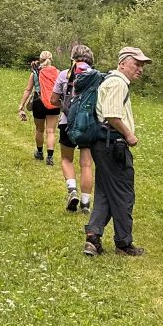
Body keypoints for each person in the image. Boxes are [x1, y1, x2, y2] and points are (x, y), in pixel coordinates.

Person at [84, 46, 150, 257]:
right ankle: (123, 243)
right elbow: (112, 115)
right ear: (122, 63)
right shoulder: (117, 83)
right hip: (113, 144)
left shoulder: (112, 81)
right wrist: (129, 135)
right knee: (123, 193)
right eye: (136, 64)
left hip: (104, 144)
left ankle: (93, 238)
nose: (140, 69)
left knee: (105, 192)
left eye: (142, 65)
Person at [53, 43, 96, 213]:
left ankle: (72, 190)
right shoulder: (95, 76)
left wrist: (66, 107)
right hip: (88, 124)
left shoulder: (65, 75)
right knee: (86, 164)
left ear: (73, 57)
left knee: (66, 159)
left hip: (67, 123)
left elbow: (53, 99)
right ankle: (85, 203)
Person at [18, 51, 60, 164]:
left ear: (40, 59)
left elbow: (28, 89)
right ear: (51, 59)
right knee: (51, 131)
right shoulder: (57, 72)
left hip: (39, 102)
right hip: (53, 102)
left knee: (39, 129)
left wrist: (21, 105)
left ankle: (40, 153)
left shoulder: (35, 73)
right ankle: (50, 157)